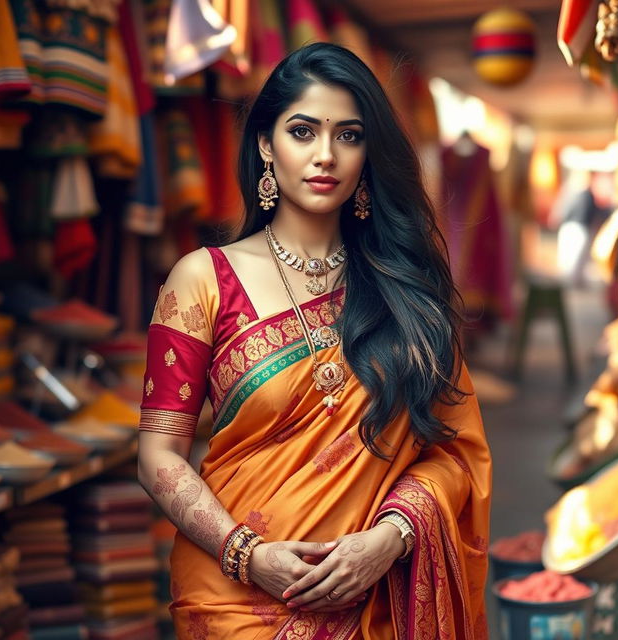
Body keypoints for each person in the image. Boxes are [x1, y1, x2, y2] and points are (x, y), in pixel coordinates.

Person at [137, 43, 491, 640]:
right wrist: (247, 555)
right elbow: (158, 457)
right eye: (303, 131)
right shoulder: (204, 279)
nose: (325, 155)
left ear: (366, 154)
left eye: (348, 136)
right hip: (234, 600)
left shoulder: (403, 286)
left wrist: (393, 536)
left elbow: (453, 450)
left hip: (376, 599)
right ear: (265, 146)